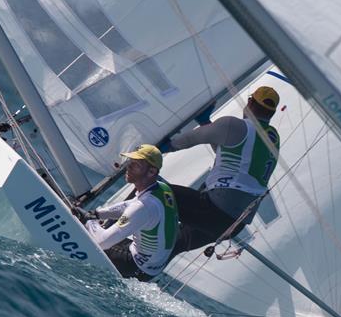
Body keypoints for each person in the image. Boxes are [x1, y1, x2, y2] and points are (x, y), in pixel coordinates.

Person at [166, 85, 281, 256]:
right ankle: (138, 273)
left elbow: (189, 139)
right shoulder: (273, 137)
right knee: (177, 243)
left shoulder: (235, 125)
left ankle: (113, 232)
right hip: (233, 226)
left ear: (250, 102)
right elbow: (227, 152)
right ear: (271, 113)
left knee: (153, 190)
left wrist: (159, 149)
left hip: (215, 208)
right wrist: (205, 122)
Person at [76, 144, 178, 281]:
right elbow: (130, 204)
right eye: (130, 161)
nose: (128, 166)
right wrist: (98, 213)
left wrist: (89, 220)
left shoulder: (144, 207)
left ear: (151, 172)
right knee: (103, 230)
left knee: (90, 236)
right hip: (152, 266)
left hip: (135, 266)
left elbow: (101, 243)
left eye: (136, 164)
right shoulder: (161, 188)